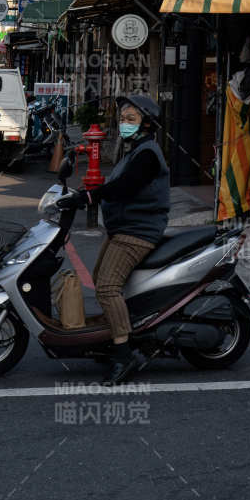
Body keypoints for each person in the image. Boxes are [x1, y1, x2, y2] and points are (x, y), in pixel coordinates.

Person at [57, 93, 170, 385]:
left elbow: (125, 186)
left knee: (107, 287)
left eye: (131, 119)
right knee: (99, 278)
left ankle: (124, 353)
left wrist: (89, 196)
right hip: (123, 228)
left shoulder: (147, 155)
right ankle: (115, 335)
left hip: (138, 232)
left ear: (146, 125)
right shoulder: (133, 150)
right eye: (122, 119)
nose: (124, 124)